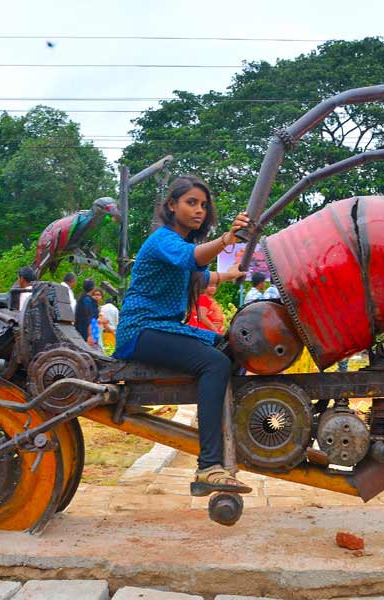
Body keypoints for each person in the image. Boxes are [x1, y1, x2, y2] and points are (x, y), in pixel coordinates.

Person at [114, 175, 251, 497]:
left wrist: (228, 275)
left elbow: (200, 274)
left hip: (162, 328)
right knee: (215, 364)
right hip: (141, 330)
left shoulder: (182, 245)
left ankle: (229, 435)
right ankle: (209, 466)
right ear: (172, 205)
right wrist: (226, 240)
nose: (199, 210)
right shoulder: (163, 240)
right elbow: (191, 260)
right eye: (191, 203)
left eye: (203, 205)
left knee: (233, 350)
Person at [74, 278, 99, 344]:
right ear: (93, 288)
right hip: (87, 333)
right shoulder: (88, 301)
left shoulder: (81, 299)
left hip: (81, 330)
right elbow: (89, 318)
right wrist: (90, 335)